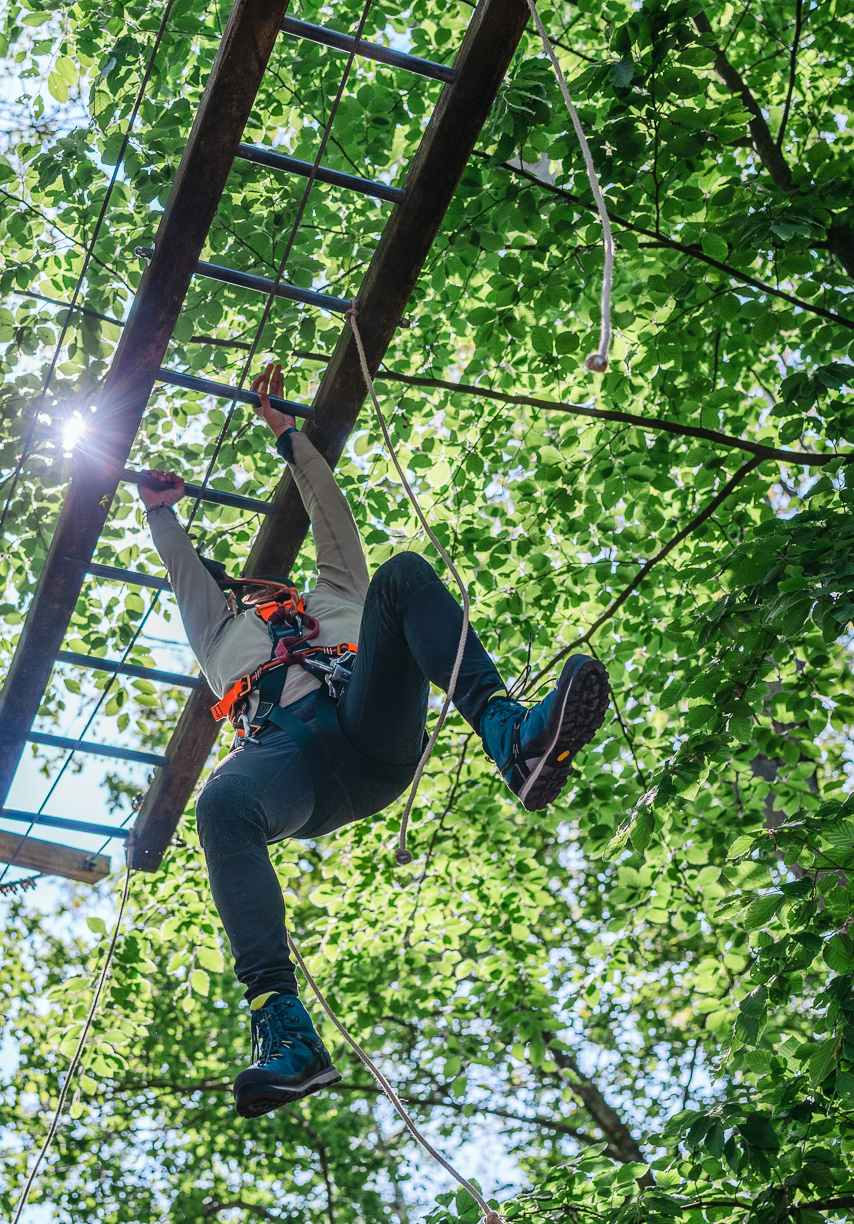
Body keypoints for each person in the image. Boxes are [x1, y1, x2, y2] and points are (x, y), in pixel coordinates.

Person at [137, 361, 609, 1120]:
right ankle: (285, 1030)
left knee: (404, 574)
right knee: (221, 805)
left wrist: (287, 435)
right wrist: (159, 512)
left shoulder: (337, 593)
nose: (254, 593)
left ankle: (512, 740)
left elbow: (329, 513)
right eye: (242, 593)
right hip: (289, 763)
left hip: (369, 724)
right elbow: (185, 575)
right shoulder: (220, 636)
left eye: (263, 587)